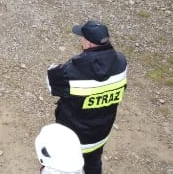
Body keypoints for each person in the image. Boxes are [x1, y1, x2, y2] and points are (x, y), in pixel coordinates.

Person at [48, 20, 127, 174]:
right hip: (101, 134)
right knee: (93, 163)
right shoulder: (122, 63)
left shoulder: (70, 72)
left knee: (65, 166)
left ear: (89, 44)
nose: (80, 40)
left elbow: (51, 81)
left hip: (72, 137)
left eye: (82, 37)